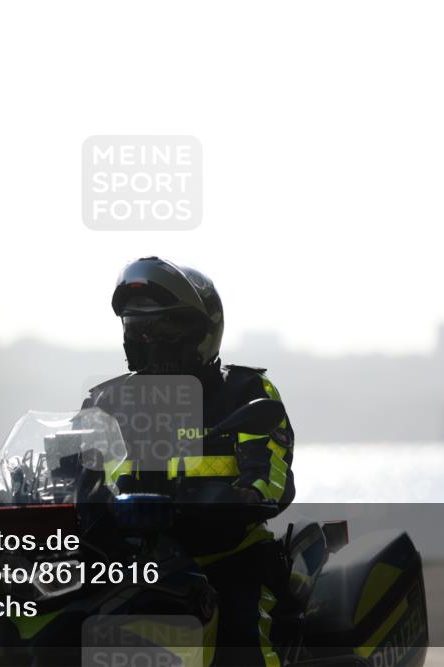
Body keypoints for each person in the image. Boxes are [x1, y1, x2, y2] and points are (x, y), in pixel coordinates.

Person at [80, 256, 295, 667]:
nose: (148, 339)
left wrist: (243, 496)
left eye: (164, 329)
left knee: (242, 645)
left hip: (228, 557)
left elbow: (270, 470)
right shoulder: (105, 401)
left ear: (204, 332)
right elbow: (73, 473)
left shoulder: (244, 392)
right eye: (136, 327)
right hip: (130, 565)